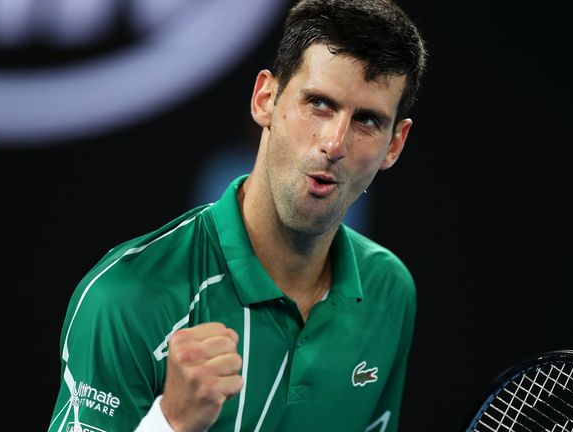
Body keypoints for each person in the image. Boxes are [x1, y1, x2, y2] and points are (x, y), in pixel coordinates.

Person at [48, 0, 428, 430]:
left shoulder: (388, 291)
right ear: (266, 99)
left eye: (367, 121)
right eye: (319, 103)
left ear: (394, 145)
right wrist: (169, 423)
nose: (334, 143)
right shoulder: (126, 297)